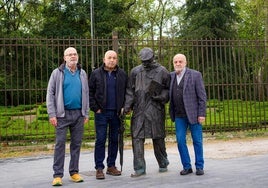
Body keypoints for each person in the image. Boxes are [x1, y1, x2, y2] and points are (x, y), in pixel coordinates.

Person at [124, 47, 170, 177]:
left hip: (155, 108)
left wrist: (161, 97)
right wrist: (127, 106)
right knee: (137, 137)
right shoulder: (135, 72)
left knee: (158, 137)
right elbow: (130, 91)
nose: (145, 64)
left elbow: (168, 89)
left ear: (153, 58)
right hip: (139, 109)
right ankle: (139, 168)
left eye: (147, 61)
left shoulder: (162, 71)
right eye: (143, 61)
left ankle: (163, 161)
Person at [46, 47, 89, 186]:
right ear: (64, 58)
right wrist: (52, 114)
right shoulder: (57, 73)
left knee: (76, 145)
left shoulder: (82, 73)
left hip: (78, 114)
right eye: (69, 54)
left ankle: (74, 172)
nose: (72, 56)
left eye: (75, 54)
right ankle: (57, 175)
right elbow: (50, 94)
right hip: (61, 115)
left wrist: (86, 113)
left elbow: (86, 94)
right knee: (60, 145)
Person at [89, 50, 128, 180]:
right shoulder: (96, 74)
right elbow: (90, 92)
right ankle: (99, 167)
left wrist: (125, 107)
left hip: (116, 113)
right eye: (109, 57)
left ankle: (111, 166)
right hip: (102, 113)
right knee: (100, 139)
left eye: (114, 58)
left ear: (117, 60)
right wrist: (96, 109)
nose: (112, 60)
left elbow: (127, 92)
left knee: (114, 140)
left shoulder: (122, 74)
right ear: (104, 59)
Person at [169, 53, 207, 176]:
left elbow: (202, 96)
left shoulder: (195, 75)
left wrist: (201, 114)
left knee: (197, 141)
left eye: (180, 61)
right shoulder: (171, 76)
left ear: (185, 63)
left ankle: (199, 166)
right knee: (180, 141)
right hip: (179, 116)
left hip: (194, 115)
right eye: (176, 62)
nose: (178, 64)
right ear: (173, 63)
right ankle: (187, 166)